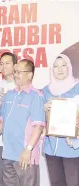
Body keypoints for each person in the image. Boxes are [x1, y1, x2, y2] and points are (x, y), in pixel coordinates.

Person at [0, 59, 45, 186]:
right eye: (15, 72)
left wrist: (28, 149)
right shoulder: (9, 95)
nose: (16, 75)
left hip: (25, 156)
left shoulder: (36, 96)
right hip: (8, 154)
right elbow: (2, 120)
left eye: (20, 72)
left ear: (30, 75)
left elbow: (38, 127)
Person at [43, 54, 79, 186]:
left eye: (63, 65)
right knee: (56, 183)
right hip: (51, 148)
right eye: (56, 66)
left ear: (69, 67)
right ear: (51, 70)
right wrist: (44, 110)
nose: (60, 69)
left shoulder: (77, 87)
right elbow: (39, 120)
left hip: (72, 147)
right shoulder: (46, 91)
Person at [0, 52, 17, 186]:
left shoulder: (21, 85)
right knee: (0, 178)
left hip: (16, 140)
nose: (3, 66)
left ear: (15, 65)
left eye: (7, 63)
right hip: (0, 140)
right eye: (1, 63)